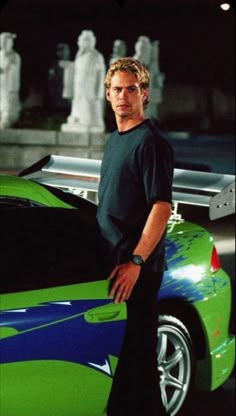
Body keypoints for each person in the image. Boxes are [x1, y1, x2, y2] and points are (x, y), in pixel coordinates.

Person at [96, 57, 173, 416]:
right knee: (131, 368)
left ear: (144, 93)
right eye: (116, 89)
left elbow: (161, 207)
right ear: (107, 95)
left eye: (131, 89)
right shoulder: (116, 140)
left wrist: (136, 262)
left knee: (135, 365)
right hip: (117, 266)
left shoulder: (150, 142)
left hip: (136, 270)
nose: (123, 96)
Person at [61, 30, 106, 133]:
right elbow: (77, 68)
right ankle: (78, 118)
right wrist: (69, 66)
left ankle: (91, 122)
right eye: (81, 40)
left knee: (90, 105)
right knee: (78, 103)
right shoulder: (80, 56)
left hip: (90, 87)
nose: (82, 43)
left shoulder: (96, 56)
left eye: (85, 40)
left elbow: (101, 73)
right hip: (79, 87)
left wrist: (99, 91)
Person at [0, 32, 21, 128]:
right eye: (8, 42)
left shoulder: (16, 56)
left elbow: (16, 72)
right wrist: (5, 66)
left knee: (10, 108)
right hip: (2, 86)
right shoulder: (0, 56)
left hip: (11, 87)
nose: (11, 44)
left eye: (12, 42)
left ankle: (8, 121)